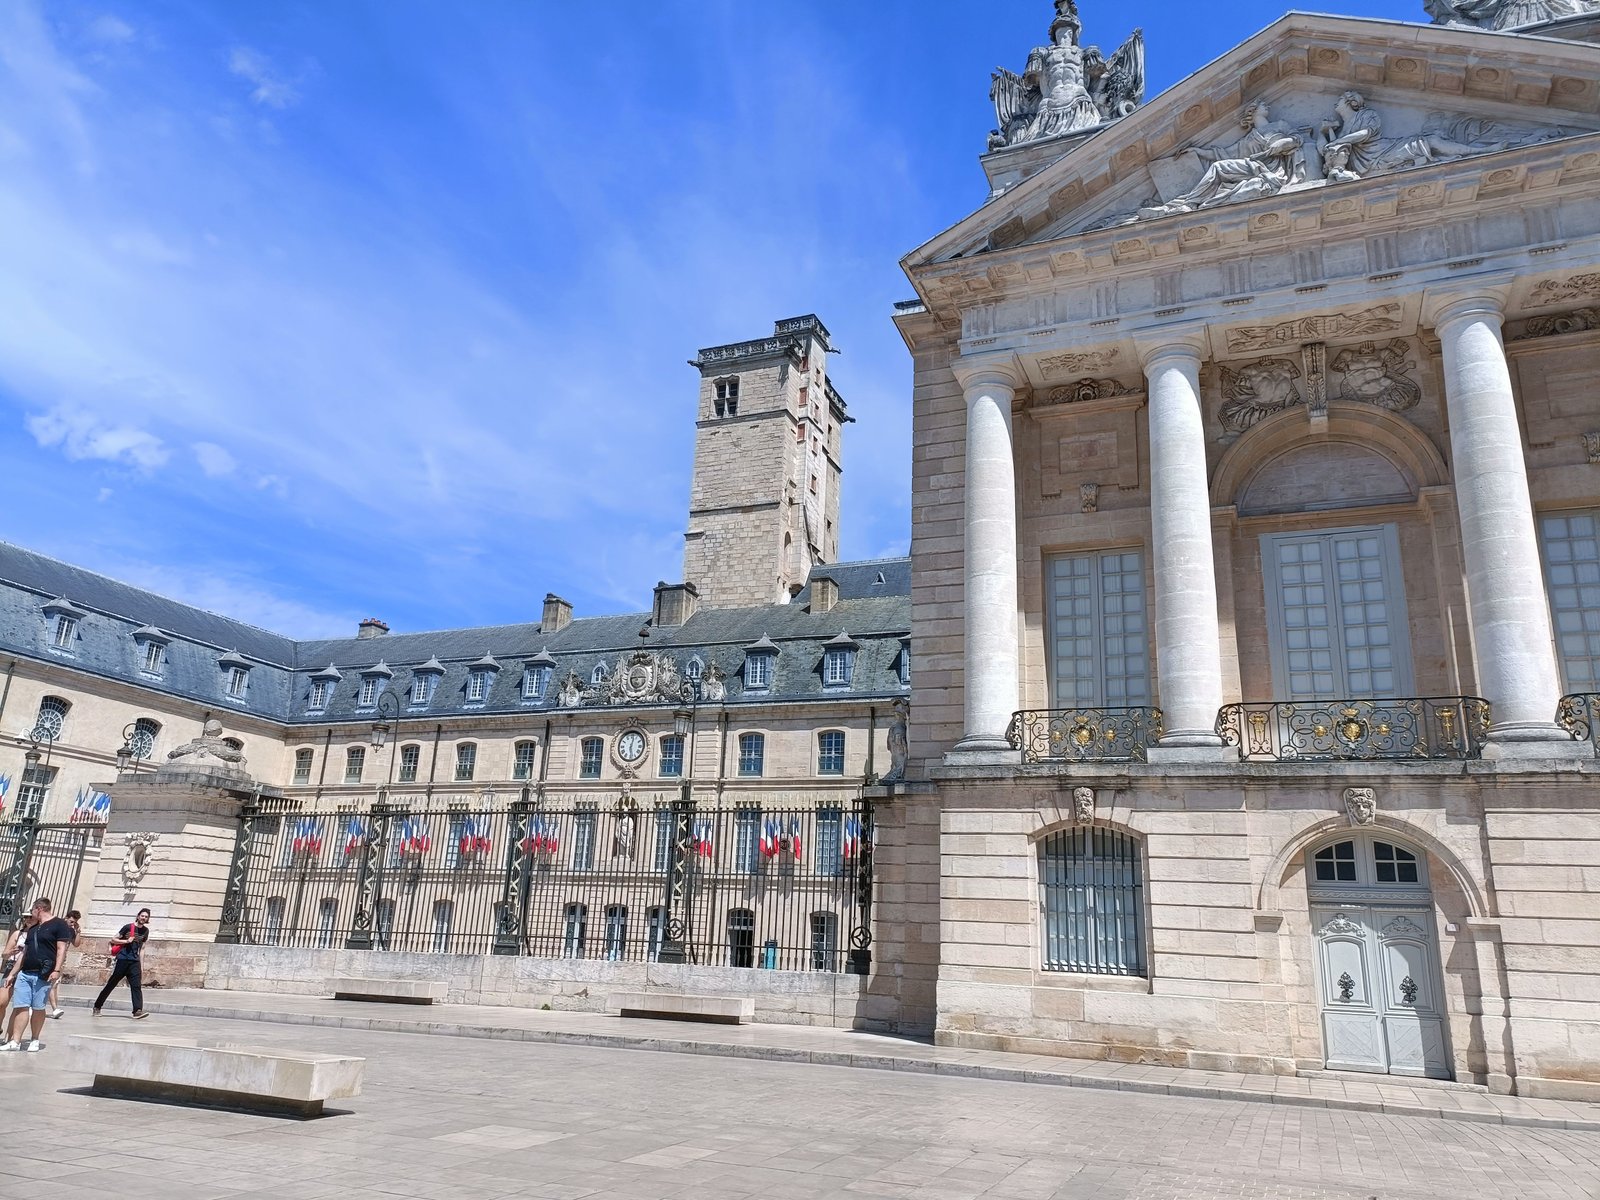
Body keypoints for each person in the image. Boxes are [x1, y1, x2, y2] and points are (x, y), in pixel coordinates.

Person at [1, 898, 74, 1052]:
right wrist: (12, 974)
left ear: (39, 908)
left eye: (32, 910)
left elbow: (61, 949)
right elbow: (24, 954)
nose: (31, 913)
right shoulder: (34, 929)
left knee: (38, 1007)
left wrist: (56, 970)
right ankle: (15, 1041)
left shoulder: (59, 924)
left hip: (44, 974)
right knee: (21, 1006)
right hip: (25, 973)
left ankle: (35, 1038)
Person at [92, 907, 150, 1018]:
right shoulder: (128, 927)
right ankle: (97, 1006)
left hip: (134, 962)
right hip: (123, 959)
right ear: (138, 916)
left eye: (146, 917)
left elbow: (142, 949)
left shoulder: (145, 931)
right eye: (142, 916)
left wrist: (141, 966)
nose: (144, 918)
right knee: (111, 984)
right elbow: (113, 939)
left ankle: (137, 1010)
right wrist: (125, 941)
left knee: (136, 986)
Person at [45, 910, 81, 1019]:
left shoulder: (71, 930)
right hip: (52, 958)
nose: (72, 924)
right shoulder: (57, 927)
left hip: (61, 961)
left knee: (55, 985)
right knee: (52, 984)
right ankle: (55, 1008)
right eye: (71, 921)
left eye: (74, 922)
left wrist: (78, 932)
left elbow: (76, 944)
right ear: (66, 918)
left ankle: (54, 1008)